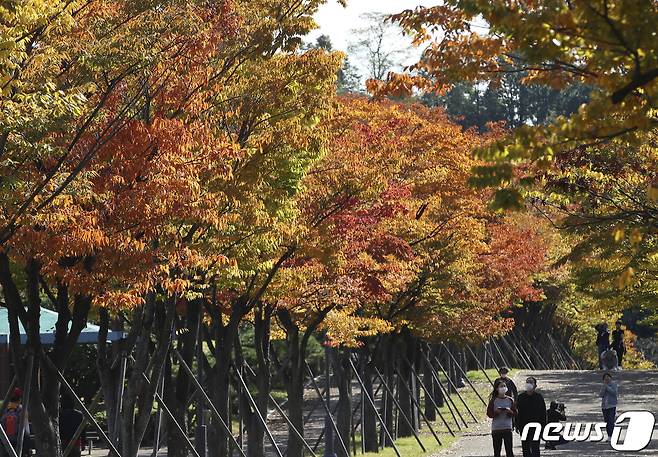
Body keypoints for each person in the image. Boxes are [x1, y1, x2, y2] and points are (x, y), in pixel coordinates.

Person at [516, 376, 546, 457]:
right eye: (527, 382)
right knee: (525, 448)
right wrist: (517, 425)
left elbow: (543, 413)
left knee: (535, 447)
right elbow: (517, 412)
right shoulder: (520, 397)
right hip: (524, 426)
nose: (528, 384)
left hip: (536, 427)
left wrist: (543, 427)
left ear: (535, 385)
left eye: (531, 382)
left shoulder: (539, 397)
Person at [487, 379, 517, 457]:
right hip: (496, 429)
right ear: (497, 388)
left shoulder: (510, 400)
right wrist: (496, 412)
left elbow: (515, 413)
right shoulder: (493, 400)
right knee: (497, 452)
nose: (503, 388)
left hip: (507, 428)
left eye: (504, 386)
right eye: (501, 386)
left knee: (509, 451)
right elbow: (489, 414)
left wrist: (509, 411)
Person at [0, 387, 30, 457]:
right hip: (18, 444)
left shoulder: (3, 409)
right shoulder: (22, 410)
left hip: (5, 444)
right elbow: (26, 432)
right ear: (20, 399)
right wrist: (27, 449)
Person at [599, 372, 618, 440]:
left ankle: (610, 436)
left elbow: (614, 393)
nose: (607, 379)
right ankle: (609, 434)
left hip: (612, 405)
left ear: (610, 378)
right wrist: (604, 387)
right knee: (607, 421)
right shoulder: (603, 386)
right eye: (605, 378)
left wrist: (607, 387)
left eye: (608, 378)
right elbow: (601, 395)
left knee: (611, 420)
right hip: (604, 406)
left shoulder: (614, 384)